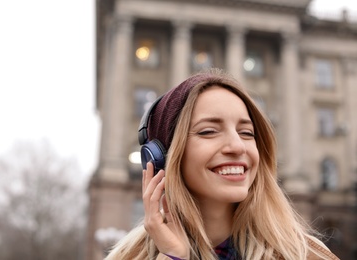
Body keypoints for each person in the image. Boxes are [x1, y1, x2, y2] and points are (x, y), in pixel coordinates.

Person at [105, 69, 339, 260]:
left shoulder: (305, 254)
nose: (238, 147)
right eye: (208, 131)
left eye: (247, 133)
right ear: (160, 157)